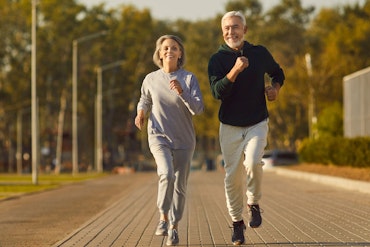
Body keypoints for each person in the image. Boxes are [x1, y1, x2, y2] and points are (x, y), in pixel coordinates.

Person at [208, 11, 285, 245]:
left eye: (236, 27)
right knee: (232, 177)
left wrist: (275, 88)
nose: (231, 32)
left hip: (257, 121)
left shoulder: (259, 53)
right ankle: (237, 223)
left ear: (245, 30)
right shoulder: (217, 60)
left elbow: (277, 72)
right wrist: (235, 71)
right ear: (223, 32)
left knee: (252, 162)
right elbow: (217, 93)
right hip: (229, 125)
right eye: (227, 28)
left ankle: (253, 202)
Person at [135, 34, 204, 246]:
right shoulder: (151, 79)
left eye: (174, 48)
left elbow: (198, 109)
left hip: (184, 139)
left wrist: (183, 93)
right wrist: (140, 113)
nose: (169, 51)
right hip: (158, 135)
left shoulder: (189, 78)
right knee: (166, 174)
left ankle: (174, 227)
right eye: (165, 48)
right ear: (159, 53)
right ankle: (163, 217)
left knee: (180, 186)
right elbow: (145, 99)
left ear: (180, 53)